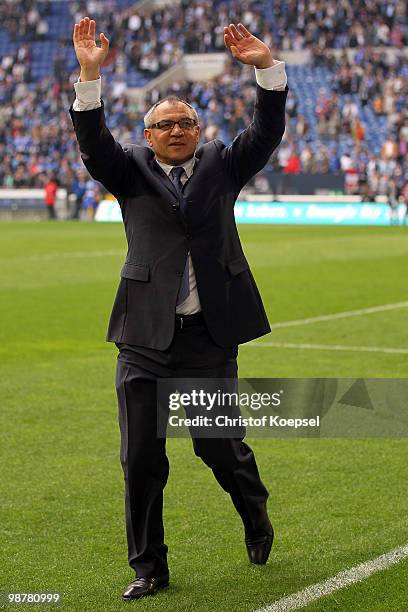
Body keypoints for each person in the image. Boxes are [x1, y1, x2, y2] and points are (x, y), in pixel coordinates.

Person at [70, 16, 288, 601]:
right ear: (148, 135)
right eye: (163, 124)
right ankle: (149, 567)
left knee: (217, 446)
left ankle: (255, 513)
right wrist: (90, 75)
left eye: (184, 122)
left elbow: (265, 134)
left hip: (208, 337)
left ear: (198, 129)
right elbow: (92, 142)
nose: (175, 130)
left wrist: (266, 68)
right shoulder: (129, 171)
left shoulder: (222, 163)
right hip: (143, 337)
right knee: (140, 458)